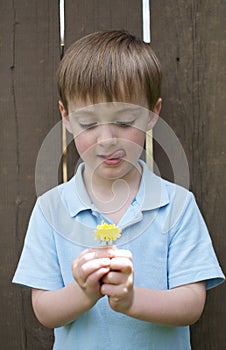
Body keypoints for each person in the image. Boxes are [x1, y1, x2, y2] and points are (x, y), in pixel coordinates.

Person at [13, 30, 224, 350]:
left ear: (153, 114)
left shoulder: (177, 205)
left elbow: (191, 305)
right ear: (66, 117)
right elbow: (44, 310)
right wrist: (84, 292)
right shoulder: (50, 209)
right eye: (88, 124)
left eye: (125, 122)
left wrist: (131, 300)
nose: (108, 139)